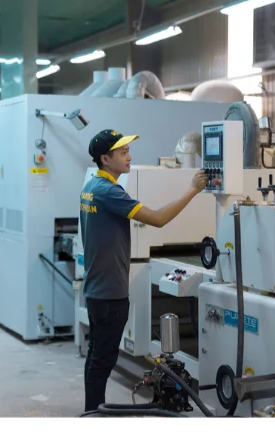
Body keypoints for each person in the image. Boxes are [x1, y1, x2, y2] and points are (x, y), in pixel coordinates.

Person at [80, 129, 208, 412]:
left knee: (96, 358)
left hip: (96, 288)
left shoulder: (91, 185)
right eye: (122, 152)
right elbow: (158, 219)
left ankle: (92, 410)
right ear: (105, 159)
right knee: (102, 361)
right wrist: (193, 190)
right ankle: (93, 415)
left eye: (128, 151)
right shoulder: (109, 192)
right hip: (110, 292)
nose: (129, 157)